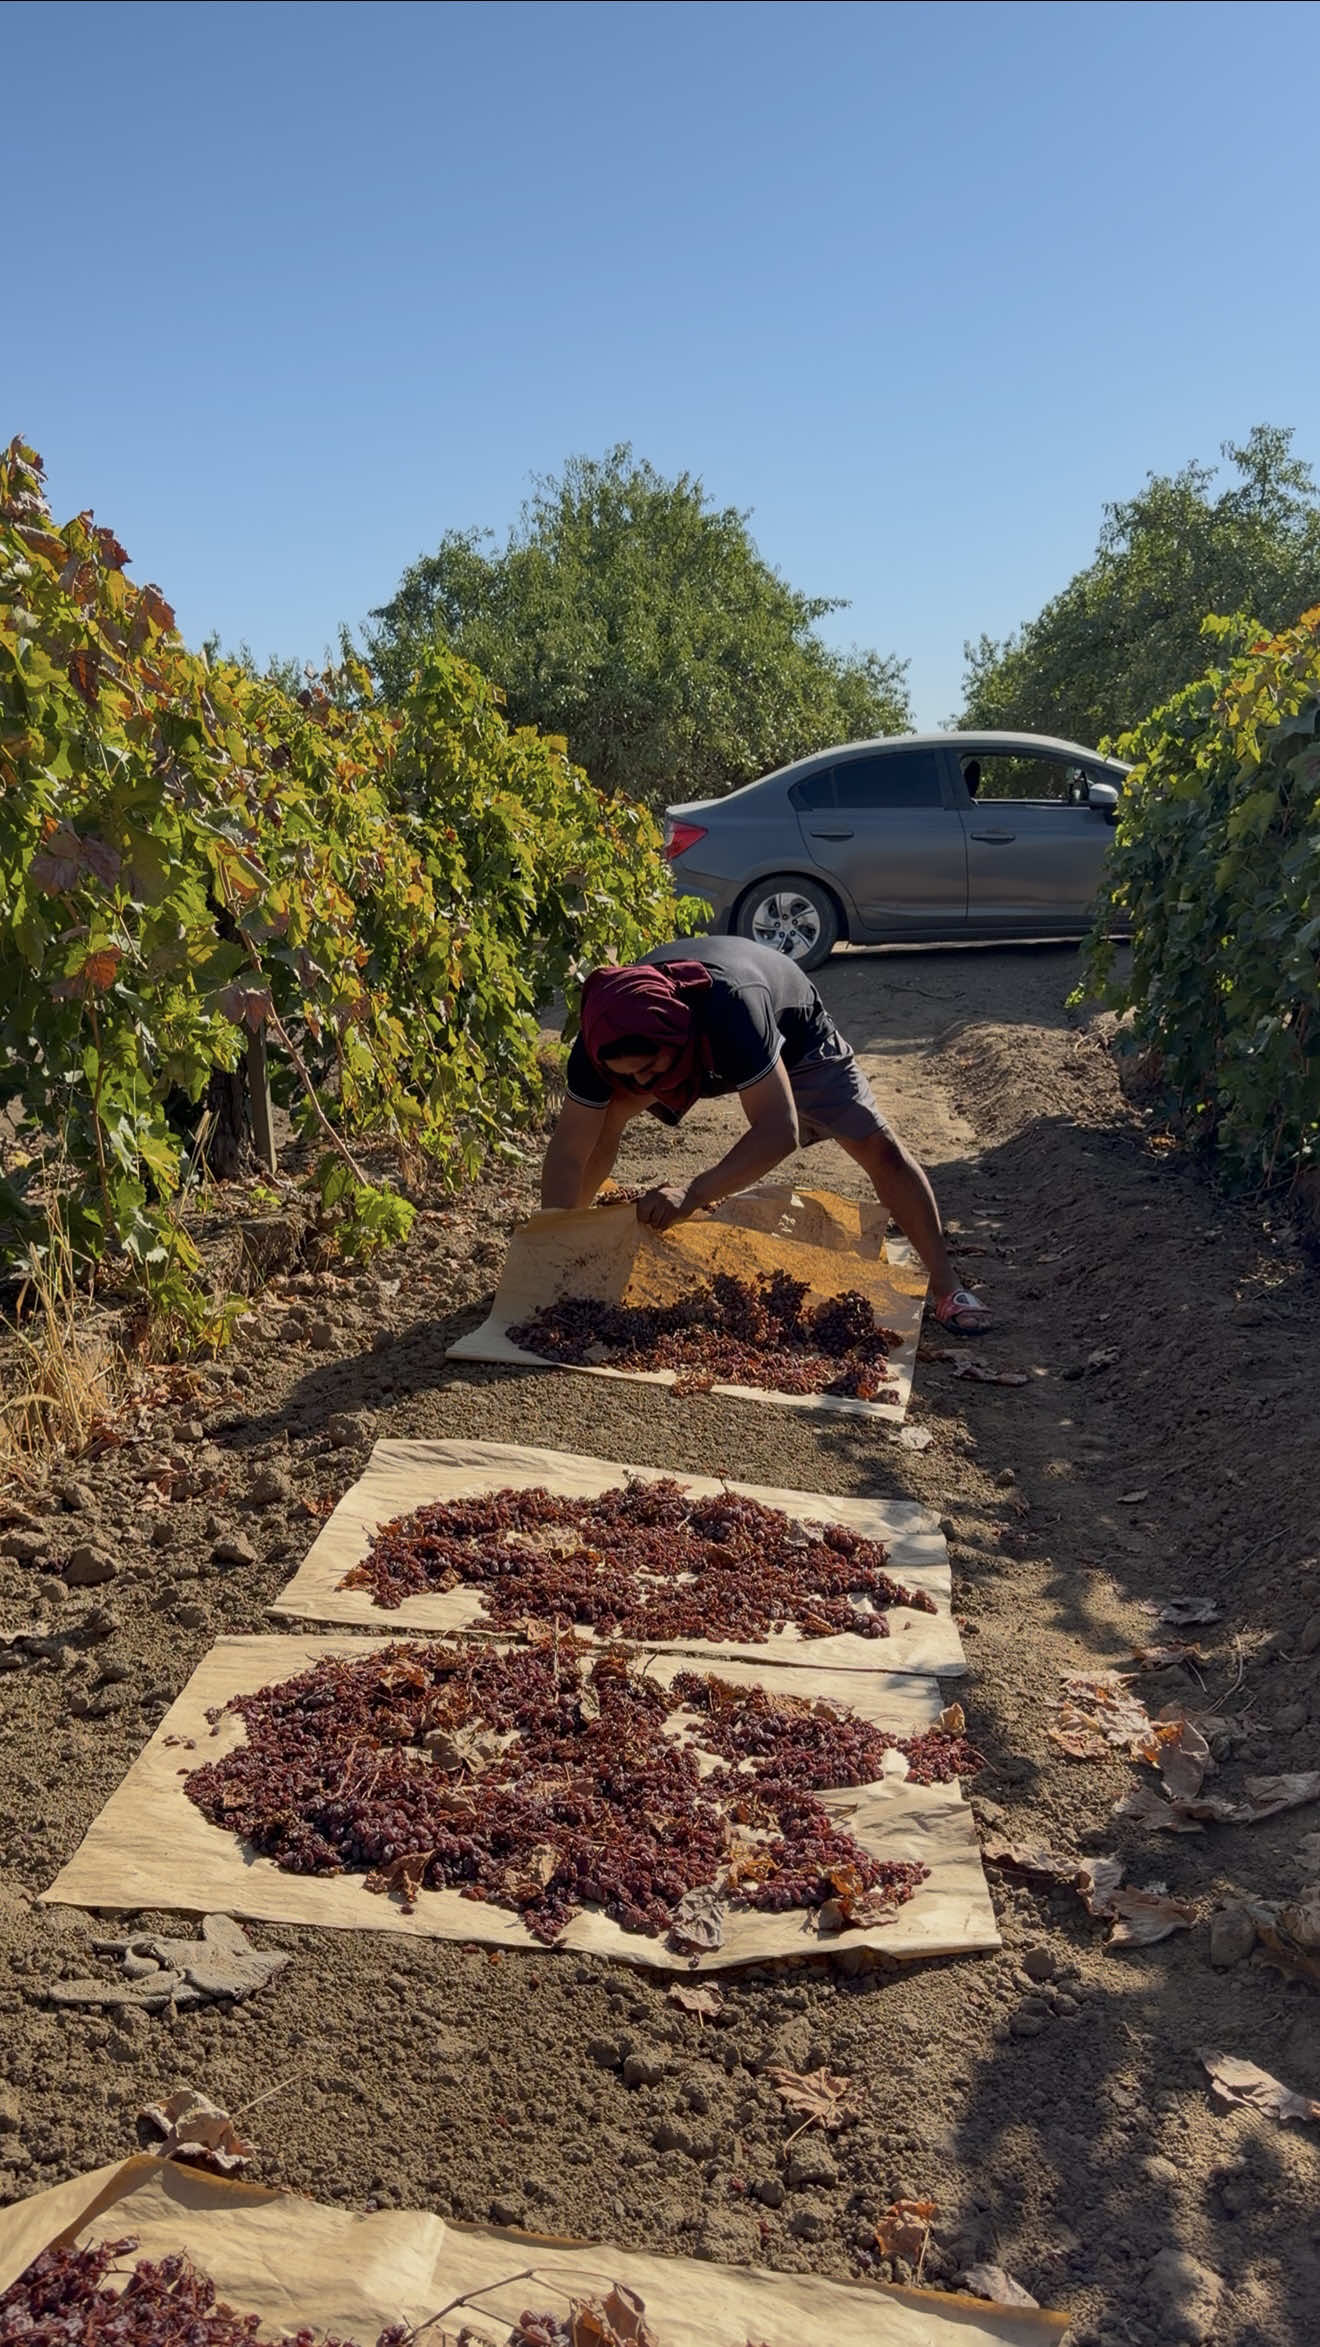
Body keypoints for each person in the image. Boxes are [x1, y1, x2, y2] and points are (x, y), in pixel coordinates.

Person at [541, 937, 990, 1335]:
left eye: (648, 1069)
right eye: (629, 1075)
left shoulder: (734, 1009)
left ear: (676, 1038)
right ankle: (571, 1251)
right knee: (602, 1121)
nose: (641, 1084)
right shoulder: (600, 1044)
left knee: (878, 1147)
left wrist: (692, 1194)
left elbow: (778, 1131)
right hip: (685, 1043)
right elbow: (568, 1153)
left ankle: (947, 1286)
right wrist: (553, 1244)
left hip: (794, 1036)